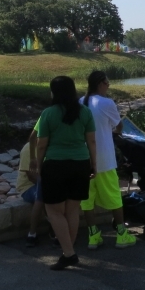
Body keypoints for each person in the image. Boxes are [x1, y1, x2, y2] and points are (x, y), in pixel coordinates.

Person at [35, 76, 96, 270]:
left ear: (54, 92)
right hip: (80, 164)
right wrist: (94, 164)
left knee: (54, 211)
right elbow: (91, 142)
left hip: (55, 165)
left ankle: (69, 253)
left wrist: (38, 165)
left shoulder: (48, 114)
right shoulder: (85, 112)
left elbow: (41, 144)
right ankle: (68, 251)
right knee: (72, 210)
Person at [80, 71, 137, 249]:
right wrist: (116, 132)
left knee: (87, 200)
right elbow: (118, 126)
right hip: (104, 158)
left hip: (84, 158)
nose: (109, 85)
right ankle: (121, 234)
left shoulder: (80, 102)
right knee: (114, 196)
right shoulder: (107, 103)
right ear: (100, 84)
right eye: (107, 82)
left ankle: (93, 235)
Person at [17, 123, 46, 247]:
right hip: (28, 187)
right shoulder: (28, 149)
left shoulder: (48, 147)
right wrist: (49, 184)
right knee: (43, 193)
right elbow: (31, 176)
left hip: (45, 182)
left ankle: (55, 231)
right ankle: (32, 233)